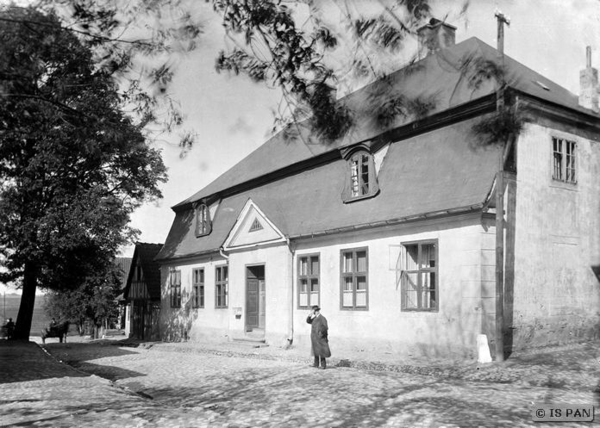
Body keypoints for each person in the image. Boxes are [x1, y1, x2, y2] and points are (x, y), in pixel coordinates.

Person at [306, 305, 331, 369]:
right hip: (314, 338)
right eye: (314, 311)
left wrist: (320, 335)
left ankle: (323, 365)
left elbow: (325, 328)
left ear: (317, 311)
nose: (315, 312)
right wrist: (309, 315)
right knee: (316, 351)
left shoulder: (322, 318)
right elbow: (308, 321)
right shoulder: (314, 318)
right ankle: (316, 364)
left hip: (320, 338)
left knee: (322, 351)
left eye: (315, 311)